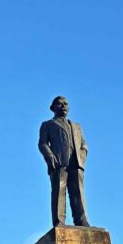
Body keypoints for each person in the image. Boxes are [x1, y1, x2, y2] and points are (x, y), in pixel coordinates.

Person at [38, 96, 89, 227]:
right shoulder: (48, 125)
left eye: (65, 104)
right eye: (60, 104)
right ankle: (59, 222)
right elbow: (42, 143)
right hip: (59, 163)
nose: (63, 106)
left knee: (78, 192)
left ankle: (82, 221)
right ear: (53, 108)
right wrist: (50, 157)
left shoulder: (76, 126)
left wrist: (82, 157)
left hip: (76, 163)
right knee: (59, 193)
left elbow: (84, 144)